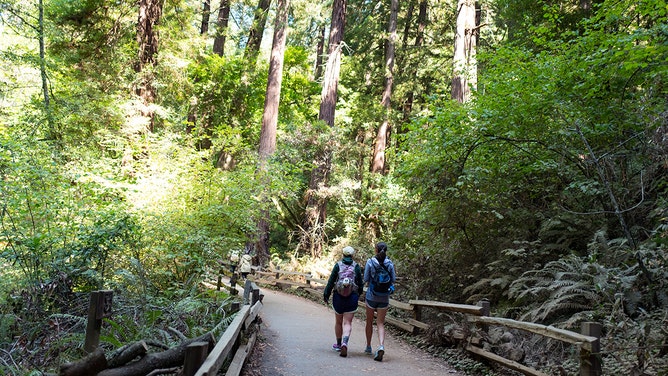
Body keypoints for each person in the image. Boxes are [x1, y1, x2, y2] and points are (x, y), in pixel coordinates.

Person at [323, 246, 364, 357]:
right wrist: (358, 293)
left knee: (338, 321)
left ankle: (338, 344)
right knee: (348, 322)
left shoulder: (338, 265)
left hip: (338, 297)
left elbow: (331, 281)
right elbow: (360, 283)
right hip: (352, 297)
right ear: (352, 255)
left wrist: (326, 294)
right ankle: (345, 342)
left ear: (343, 254)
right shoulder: (356, 267)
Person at [363, 241, 396, 361]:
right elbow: (393, 280)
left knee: (369, 321)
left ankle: (368, 346)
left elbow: (366, 278)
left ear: (376, 250)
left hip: (372, 296)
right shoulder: (390, 264)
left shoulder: (370, 262)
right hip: (384, 297)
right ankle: (381, 345)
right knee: (380, 323)